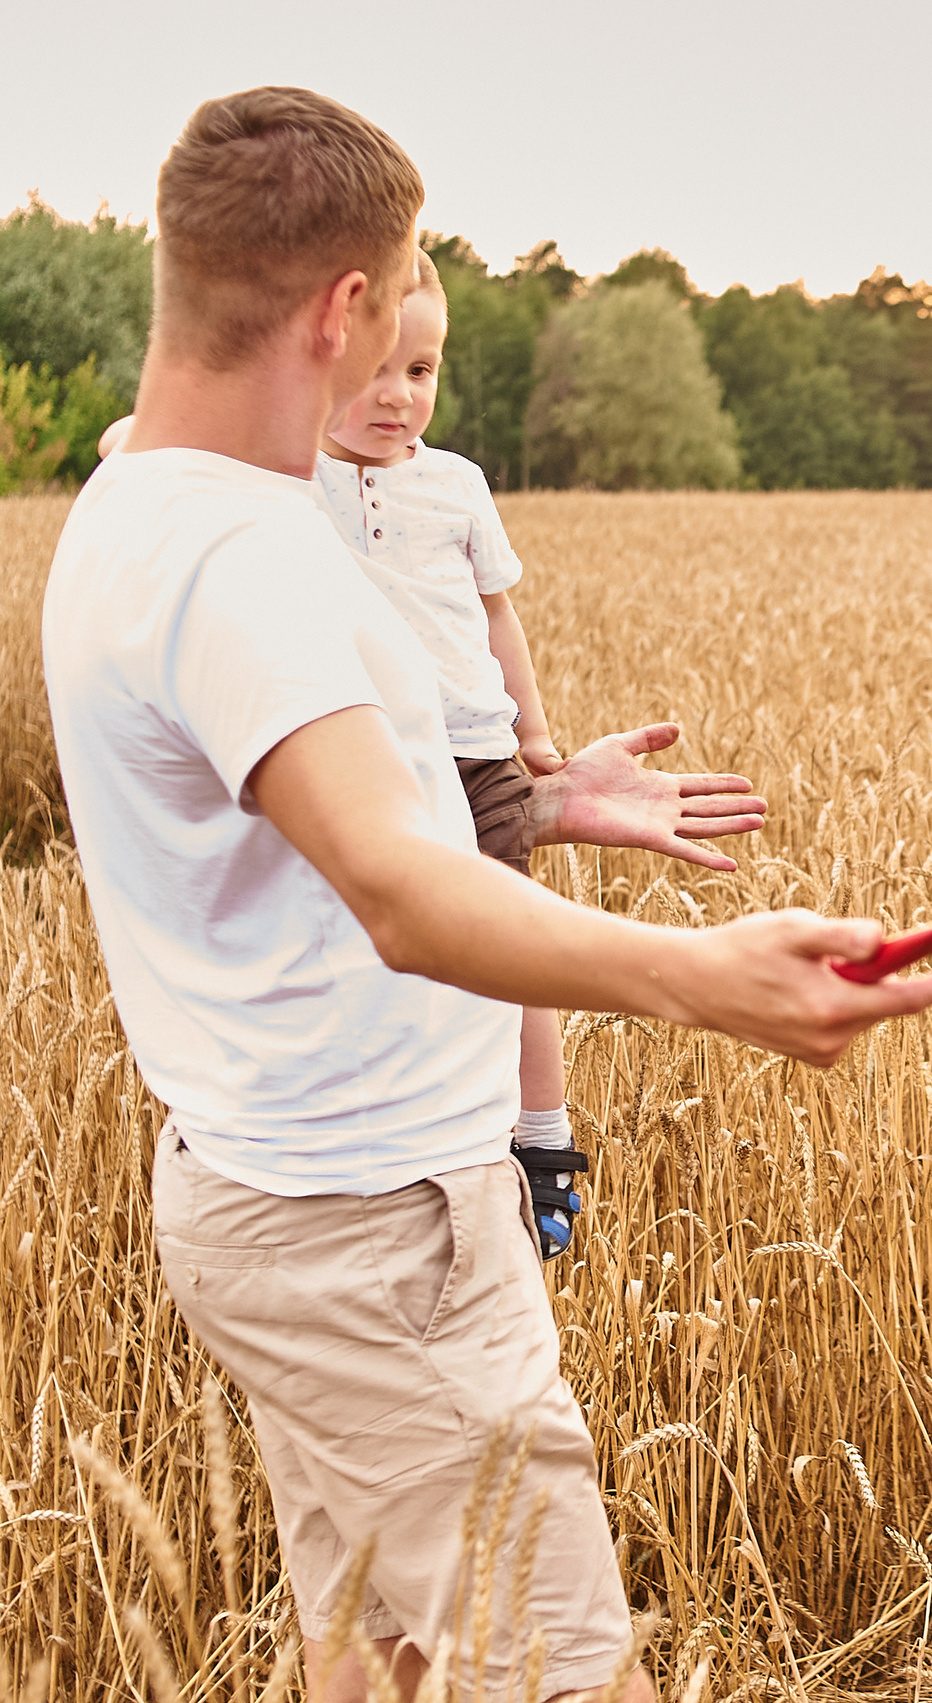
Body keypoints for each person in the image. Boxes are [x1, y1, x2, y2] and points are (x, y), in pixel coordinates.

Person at [44, 87, 932, 1703]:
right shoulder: (239, 563)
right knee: (556, 1675)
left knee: (385, 1659)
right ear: (348, 307)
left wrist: (543, 799)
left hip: (276, 1197)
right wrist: (712, 976)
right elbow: (399, 890)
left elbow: (321, 824)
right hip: (375, 1230)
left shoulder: (138, 502)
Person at [308, 248, 768, 1255]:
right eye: (376, 366)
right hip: (360, 761)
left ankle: (540, 1138)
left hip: (473, 757)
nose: (397, 395)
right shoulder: (288, 478)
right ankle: (386, 1144)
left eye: (422, 371)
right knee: (373, 951)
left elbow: (496, 618)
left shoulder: (458, 485)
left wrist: (534, 736)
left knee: (515, 952)